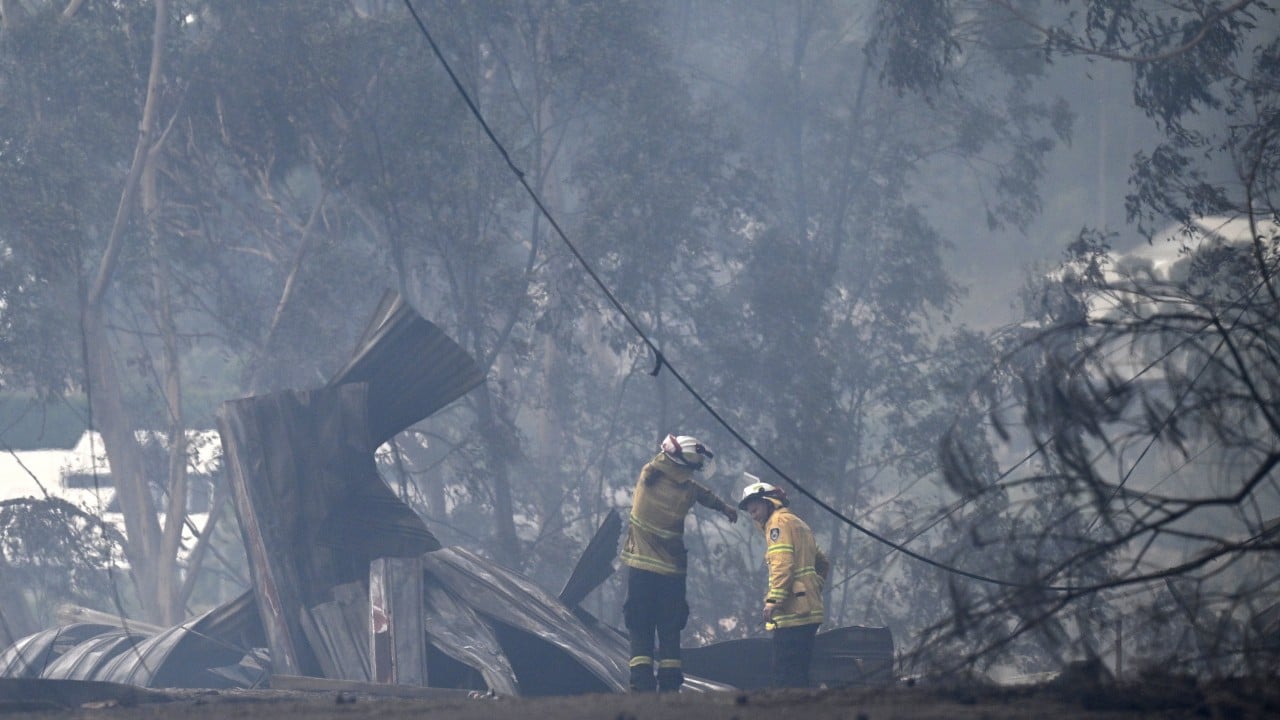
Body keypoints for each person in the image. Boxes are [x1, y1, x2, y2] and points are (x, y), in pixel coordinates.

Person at [620, 433, 739, 693]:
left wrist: (674, 448)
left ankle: (641, 682)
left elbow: (663, 462)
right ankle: (670, 683)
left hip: (641, 571)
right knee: (669, 627)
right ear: (684, 467)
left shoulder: (647, 476)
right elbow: (702, 493)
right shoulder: (686, 492)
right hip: (672, 576)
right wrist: (724, 508)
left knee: (639, 625)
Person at [738, 474, 829, 688]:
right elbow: (823, 562)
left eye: (755, 509)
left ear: (768, 502)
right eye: (750, 512)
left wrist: (773, 601)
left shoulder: (777, 524)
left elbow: (782, 565)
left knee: (785, 673)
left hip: (792, 613)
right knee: (800, 672)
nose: (753, 516)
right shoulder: (798, 523)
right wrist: (813, 586)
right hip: (810, 610)